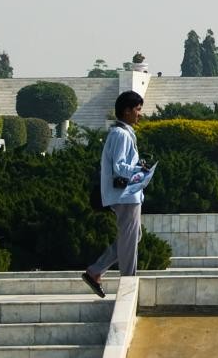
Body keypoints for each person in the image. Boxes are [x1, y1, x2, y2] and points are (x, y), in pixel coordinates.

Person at [82, 91, 153, 298]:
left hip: (126, 194)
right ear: (127, 110)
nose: (140, 114)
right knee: (130, 238)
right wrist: (140, 172)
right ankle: (128, 282)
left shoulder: (123, 133)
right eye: (138, 110)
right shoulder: (121, 134)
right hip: (125, 195)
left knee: (132, 236)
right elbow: (120, 166)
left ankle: (95, 271)